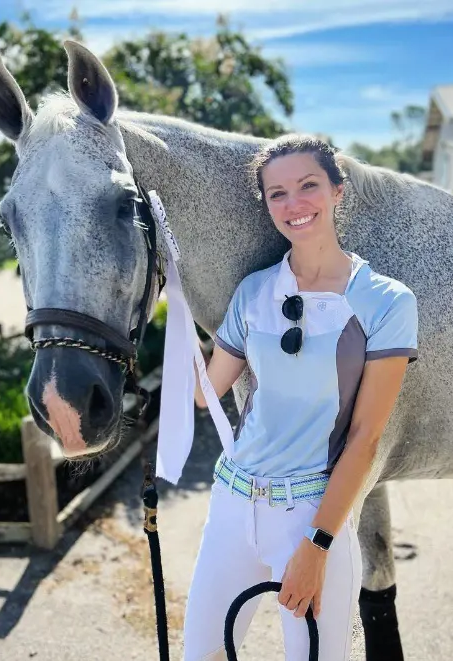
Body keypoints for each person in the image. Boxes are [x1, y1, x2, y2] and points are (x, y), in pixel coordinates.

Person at [180, 134, 418, 661]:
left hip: (310, 512)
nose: (294, 205)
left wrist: (318, 544)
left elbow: (365, 436)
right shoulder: (253, 292)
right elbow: (205, 396)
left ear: (338, 190)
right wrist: (168, 301)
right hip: (232, 503)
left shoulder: (386, 301)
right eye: (277, 194)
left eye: (308, 186)